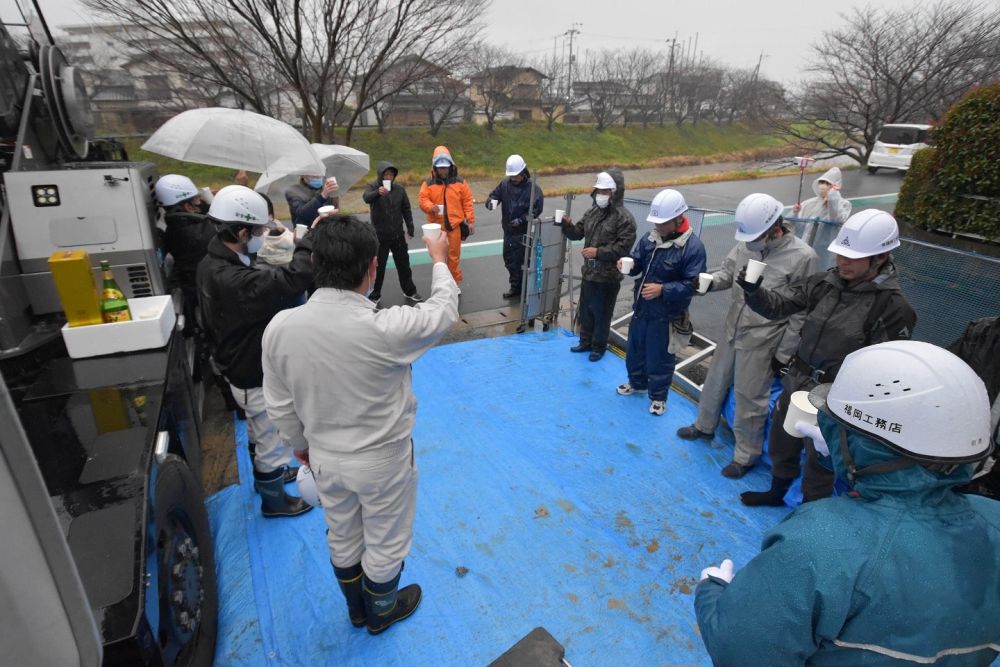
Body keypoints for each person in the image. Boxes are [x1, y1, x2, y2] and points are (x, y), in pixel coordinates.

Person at [694, 340, 1000, 666]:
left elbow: (740, 652)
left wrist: (711, 592)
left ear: (861, 442)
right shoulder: (992, 519)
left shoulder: (818, 544)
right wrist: (848, 463)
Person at [261, 215, 458, 635]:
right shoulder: (384, 328)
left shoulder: (280, 327)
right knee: (385, 540)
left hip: (324, 456)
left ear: (315, 262)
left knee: (343, 532)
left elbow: (278, 403)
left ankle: (356, 609)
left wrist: (300, 445)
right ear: (372, 267)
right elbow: (443, 310)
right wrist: (439, 258)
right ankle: (381, 610)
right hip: (383, 460)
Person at [737, 209, 917, 506]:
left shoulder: (892, 307)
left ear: (880, 257)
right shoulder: (825, 284)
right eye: (840, 254)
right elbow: (780, 306)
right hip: (798, 378)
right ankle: (776, 491)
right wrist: (755, 292)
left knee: (821, 460)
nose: (842, 261)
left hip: (836, 395)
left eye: (853, 256)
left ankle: (811, 516)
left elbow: (887, 372)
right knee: (783, 441)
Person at [677, 193, 818, 479]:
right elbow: (727, 274)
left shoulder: (803, 257)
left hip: (764, 340)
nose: (749, 241)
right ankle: (704, 427)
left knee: (750, 398)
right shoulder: (747, 243)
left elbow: (801, 312)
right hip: (733, 329)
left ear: (774, 228)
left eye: (755, 236)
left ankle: (745, 455)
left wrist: (784, 353)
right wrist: (706, 284)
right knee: (715, 381)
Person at [196, 185, 315, 518]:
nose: (263, 236)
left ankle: (269, 477)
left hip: (235, 363)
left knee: (256, 430)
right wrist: (306, 241)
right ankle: (274, 500)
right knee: (270, 439)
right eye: (260, 231)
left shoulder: (212, 261)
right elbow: (291, 280)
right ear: (242, 231)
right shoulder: (231, 277)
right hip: (250, 370)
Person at [616, 189, 705, 416]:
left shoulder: (692, 247)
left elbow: (693, 285)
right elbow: (637, 262)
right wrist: (628, 265)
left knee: (661, 357)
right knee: (635, 349)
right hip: (642, 308)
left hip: (666, 315)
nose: (658, 226)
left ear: (678, 219)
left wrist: (663, 290)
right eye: (656, 222)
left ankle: (658, 396)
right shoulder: (649, 238)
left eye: (663, 222)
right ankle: (636, 383)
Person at [557, 169, 637, 361]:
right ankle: (585, 342)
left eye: (605, 191)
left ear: (614, 193)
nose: (601, 195)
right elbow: (577, 232)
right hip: (589, 273)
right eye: (599, 191)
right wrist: (566, 225)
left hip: (608, 277)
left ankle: (598, 347)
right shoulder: (592, 212)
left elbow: (623, 248)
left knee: (602, 314)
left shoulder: (624, 218)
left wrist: (598, 252)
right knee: (586, 310)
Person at [155, 174, 215, 334]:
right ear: (187, 207)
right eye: (196, 201)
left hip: (195, 293)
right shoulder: (196, 233)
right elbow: (224, 225)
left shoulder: (174, 229)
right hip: (207, 297)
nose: (199, 203)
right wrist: (214, 202)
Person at [362, 161, 422, 305]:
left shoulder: (399, 189)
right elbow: (366, 198)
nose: (389, 177)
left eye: (391, 174)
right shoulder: (372, 187)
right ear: (380, 175)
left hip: (397, 234)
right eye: (386, 174)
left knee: (403, 264)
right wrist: (378, 192)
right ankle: (375, 294)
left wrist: (410, 227)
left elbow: (406, 209)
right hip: (379, 236)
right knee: (378, 266)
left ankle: (409, 290)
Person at [487, 154, 543, 299]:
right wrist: (491, 202)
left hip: (523, 233)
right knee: (509, 259)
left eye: (516, 175)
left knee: (523, 261)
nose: (514, 178)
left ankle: (525, 289)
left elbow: (537, 209)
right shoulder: (505, 184)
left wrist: (522, 219)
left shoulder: (533, 188)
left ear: (523, 172)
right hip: (508, 231)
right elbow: (494, 195)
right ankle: (515, 287)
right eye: (511, 176)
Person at [418, 146, 475, 288]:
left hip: (454, 226)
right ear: (435, 168)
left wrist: (471, 220)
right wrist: (431, 207)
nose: (443, 170)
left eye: (445, 167)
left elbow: (467, 201)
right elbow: (422, 200)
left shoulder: (460, 182)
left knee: (454, 257)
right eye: (440, 167)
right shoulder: (428, 184)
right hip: (436, 229)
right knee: (439, 258)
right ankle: (442, 284)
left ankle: (454, 284)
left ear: (450, 166)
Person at [793, 166, 851, 268]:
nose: (823, 186)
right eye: (821, 182)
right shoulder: (809, 203)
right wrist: (795, 212)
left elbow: (837, 219)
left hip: (825, 247)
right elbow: (796, 224)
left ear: (834, 186)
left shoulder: (843, 204)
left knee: (822, 269)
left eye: (827, 183)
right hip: (806, 246)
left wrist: (832, 199)